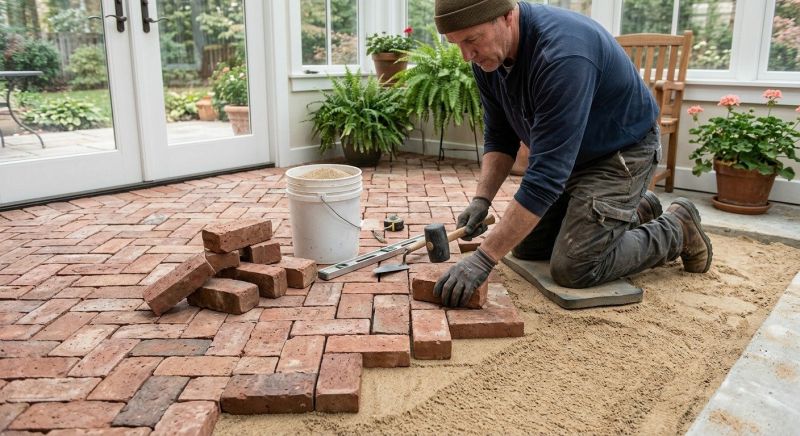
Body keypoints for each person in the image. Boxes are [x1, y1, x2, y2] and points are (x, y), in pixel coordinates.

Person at [432, 0, 713, 307]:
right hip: (574, 154)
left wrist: (483, 260)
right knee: (528, 248)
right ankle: (633, 211)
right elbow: (500, 135)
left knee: (576, 267)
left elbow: (546, 178)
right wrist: (481, 199)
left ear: (507, 16)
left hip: (621, 153)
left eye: (471, 40)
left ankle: (677, 227)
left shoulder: (563, 55)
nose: (466, 55)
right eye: (456, 44)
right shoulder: (489, 59)